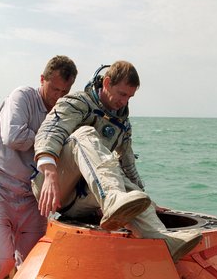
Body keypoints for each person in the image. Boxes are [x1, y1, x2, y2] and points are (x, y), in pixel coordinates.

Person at [32, 61, 202, 261]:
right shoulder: (77, 103)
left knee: (133, 191)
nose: (125, 101)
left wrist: (144, 199)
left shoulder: (122, 125)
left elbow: (128, 164)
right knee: (84, 134)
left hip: (83, 197)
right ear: (106, 83)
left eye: (129, 97)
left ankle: (161, 238)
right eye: (122, 94)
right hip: (54, 185)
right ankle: (112, 198)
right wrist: (50, 175)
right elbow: (50, 132)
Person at [0, 55, 78, 279]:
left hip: (32, 196)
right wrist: (51, 141)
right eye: (54, 89)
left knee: (31, 264)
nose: (58, 97)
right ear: (42, 79)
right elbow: (14, 137)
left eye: (65, 92)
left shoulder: (63, 110)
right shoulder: (22, 96)